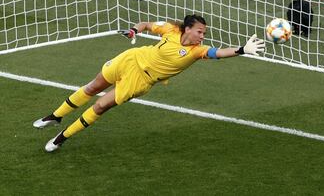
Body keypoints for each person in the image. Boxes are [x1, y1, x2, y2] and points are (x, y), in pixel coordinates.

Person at [33, 14, 265, 152]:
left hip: (141, 81)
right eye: (200, 32)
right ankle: (55, 116)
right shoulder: (171, 30)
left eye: (203, 33)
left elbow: (219, 53)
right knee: (93, 87)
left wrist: (242, 50)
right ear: (187, 29)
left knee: (100, 106)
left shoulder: (196, 51)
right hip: (131, 59)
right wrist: (134, 30)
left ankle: (61, 137)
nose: (202, 36)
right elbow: (145, 24)